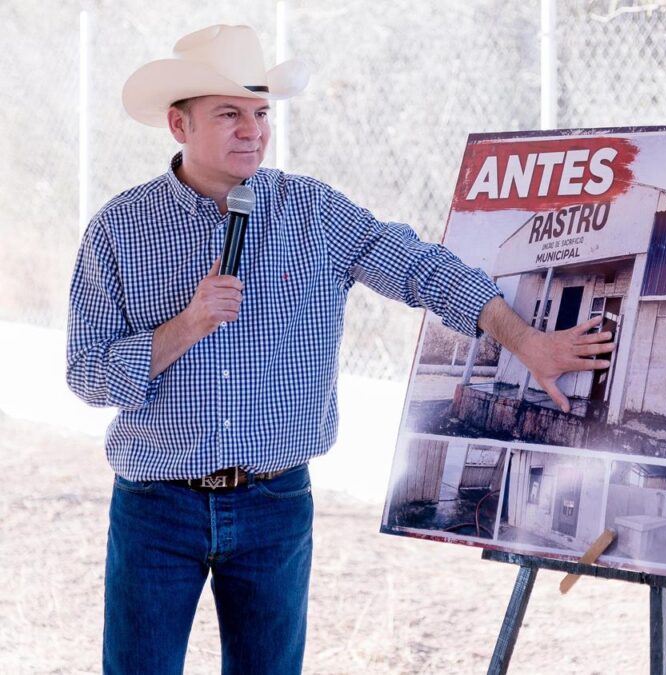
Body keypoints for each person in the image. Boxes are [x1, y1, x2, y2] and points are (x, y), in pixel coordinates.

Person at [65, 24, 613, 674]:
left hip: (274, 504)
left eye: (261, 113)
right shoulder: (119, 229)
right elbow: (86, 372)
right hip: (156, 506)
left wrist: (526, 341)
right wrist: (184, 326)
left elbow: (422, 268)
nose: (254, 130)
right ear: (178, 126)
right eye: (230, 114)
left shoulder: (313, 212)